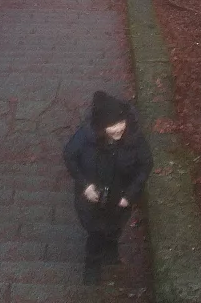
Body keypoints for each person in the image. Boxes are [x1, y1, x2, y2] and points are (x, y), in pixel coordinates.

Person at [63, 90, 153, 285]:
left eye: (121, 123)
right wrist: (85, 185)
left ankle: (111, 249)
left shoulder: (134, 139)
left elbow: (145, 165)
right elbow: (69, 156)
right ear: (101, 126)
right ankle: (92, 265)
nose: (118, 129)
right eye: (112, 126)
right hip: (92, 199)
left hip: (120, 198)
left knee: (114, 227)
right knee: (96, 233)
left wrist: (129, 196)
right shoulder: (85, 137)